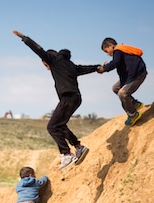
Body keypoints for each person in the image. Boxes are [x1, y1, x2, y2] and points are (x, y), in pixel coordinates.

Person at [12, 30, 96, 170]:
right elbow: (84, 68)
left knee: (51, 127)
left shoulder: (54, 60)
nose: (47, 68)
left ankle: (66, 153)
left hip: (68, 97)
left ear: (49, 58)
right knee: (60, 125)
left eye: (45, 65)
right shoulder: (70, 65)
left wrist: (24, 38)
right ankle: (78, 146)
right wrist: (99, 67)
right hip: (76, 98)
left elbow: (38, 49)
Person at [98, 38, 147, 126]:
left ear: (111, 46)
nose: (107, 54)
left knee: (122, 93)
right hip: (130, 76)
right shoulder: (120, 52)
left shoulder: (118, 50)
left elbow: (115, 62)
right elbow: (116, 62)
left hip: (137, 75)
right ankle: (134, 103)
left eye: (106, 51)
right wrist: (107, 66)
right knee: (115, 88)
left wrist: (104, 68)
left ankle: (133, 114)